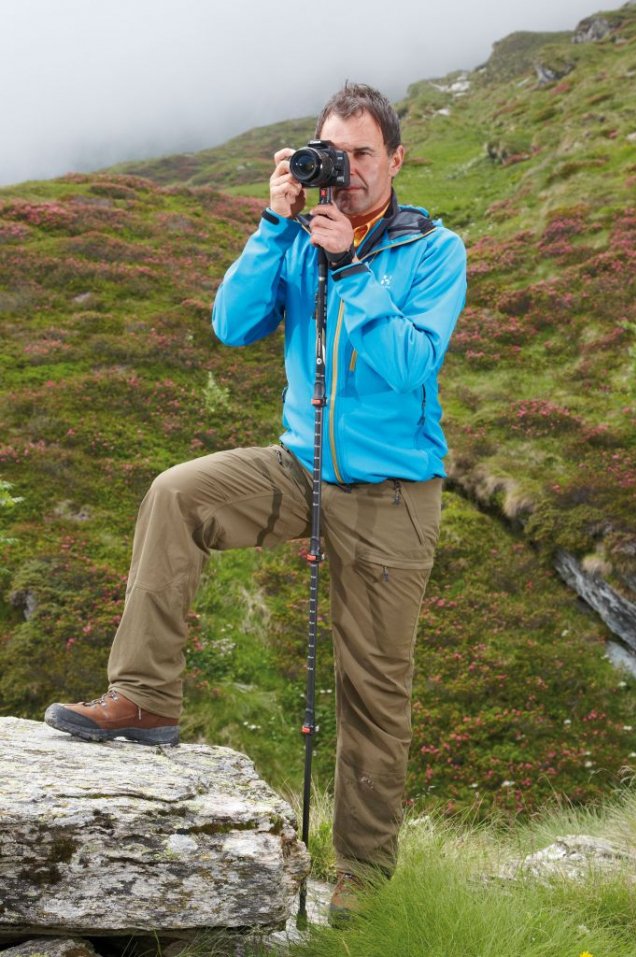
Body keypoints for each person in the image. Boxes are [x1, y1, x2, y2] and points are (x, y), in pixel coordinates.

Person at [45, 83, 467, 920]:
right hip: (300, 466)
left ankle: (366, 879)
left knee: (374, 690)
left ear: (395, 161)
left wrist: (351, 267)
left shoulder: (433, 251)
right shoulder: (299, 236)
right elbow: (232, 325)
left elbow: (413, 365)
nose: (342, 171)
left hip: (393, 495)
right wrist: (274, 225)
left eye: (361, 155)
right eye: (329, 154)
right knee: (179, 494)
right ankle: (145, 699)